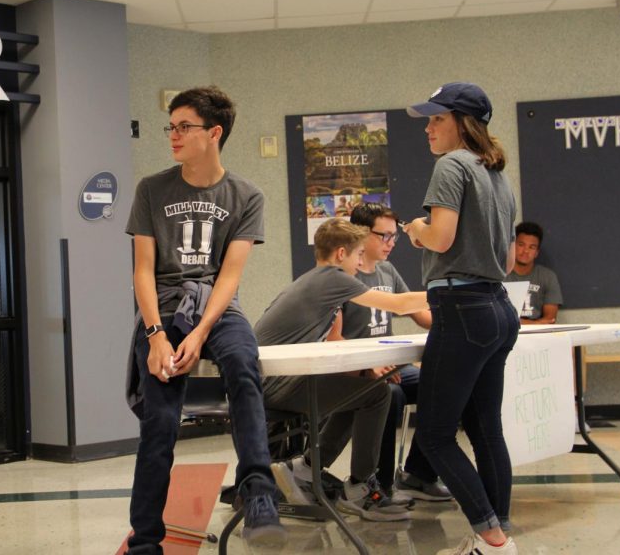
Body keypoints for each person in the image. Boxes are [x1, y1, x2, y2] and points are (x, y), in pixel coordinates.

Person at [124, 86, 285, 552]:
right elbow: (142, 270)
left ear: (214, 133)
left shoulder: (246, 195)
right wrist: (156, 336)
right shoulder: (151, 189)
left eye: (184, 126)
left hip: (217, 306)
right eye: (170, 126)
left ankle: (257, 492)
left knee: (243, 367)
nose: (173, 135)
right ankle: (145, 540)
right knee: (159, 419)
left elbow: (229, 278)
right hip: (163, 306)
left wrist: (200, 333)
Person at [403, 82, 520, 555]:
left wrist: (415, 230)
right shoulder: (496, 175)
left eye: (436, 118)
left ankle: (492, 540)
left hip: (461, 308)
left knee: (433, 435)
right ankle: (499, 532)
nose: (428, 128)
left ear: (462, 122)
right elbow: (509, 261)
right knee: (485, 428)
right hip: (498, 307)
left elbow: (442, 238)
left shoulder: (450, 165)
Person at [256, 218, 429, 522]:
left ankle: (306, 469)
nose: (361, 262)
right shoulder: (332, 278)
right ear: (340, 254)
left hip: (273, 379)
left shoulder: (316, 280)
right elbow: (399, 305)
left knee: (365, 391)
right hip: (276, 383)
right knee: (376, 394)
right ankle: (360, 489)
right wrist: (449, 291)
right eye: (358, 254)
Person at [343, 203, 452, 503]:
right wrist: (366, 368)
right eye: (385, 236)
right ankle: (378, 483)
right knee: (392, 397)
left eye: (394, 237)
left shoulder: (388, 270)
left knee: (445, 387)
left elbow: (419, 313)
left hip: (392, 365)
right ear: (361, 233)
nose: (391, 243)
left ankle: (419, 473)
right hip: (358, 369)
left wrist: (454, 323)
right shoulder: (344, 274)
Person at [505, 222, 563, 325]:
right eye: (521, 245)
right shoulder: (499, 275)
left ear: (537, 252)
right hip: (507, 333)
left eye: (531, 247)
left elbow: (550, 319)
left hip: (538, 334)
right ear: (513, 246)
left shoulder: (548, 277)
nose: (526, 251)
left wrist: (522, 323)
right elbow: (494, 317)